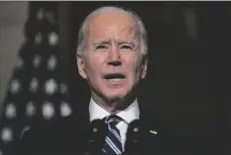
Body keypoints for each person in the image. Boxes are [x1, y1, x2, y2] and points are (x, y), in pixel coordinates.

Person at [16, 6, 199, 155]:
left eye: (126, 47)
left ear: (143, 66)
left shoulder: (181, 146)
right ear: (81, 65)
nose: (114, 58)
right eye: (101, 47)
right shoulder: (41, 144)